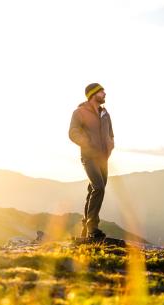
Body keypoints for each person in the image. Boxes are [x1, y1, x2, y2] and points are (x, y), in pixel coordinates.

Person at [68, 83, 115, 240]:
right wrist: (86, 143)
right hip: (89, 156)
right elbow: (73, 132)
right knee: (99, 188)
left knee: (93, 190)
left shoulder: (105, 114)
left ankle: (85, 228)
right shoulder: (80, 112)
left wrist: (111, 144)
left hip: (103, 159)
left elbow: (111, 133)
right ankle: (93, 228)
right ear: (93, 94)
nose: (105, 93)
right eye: (102, 91)